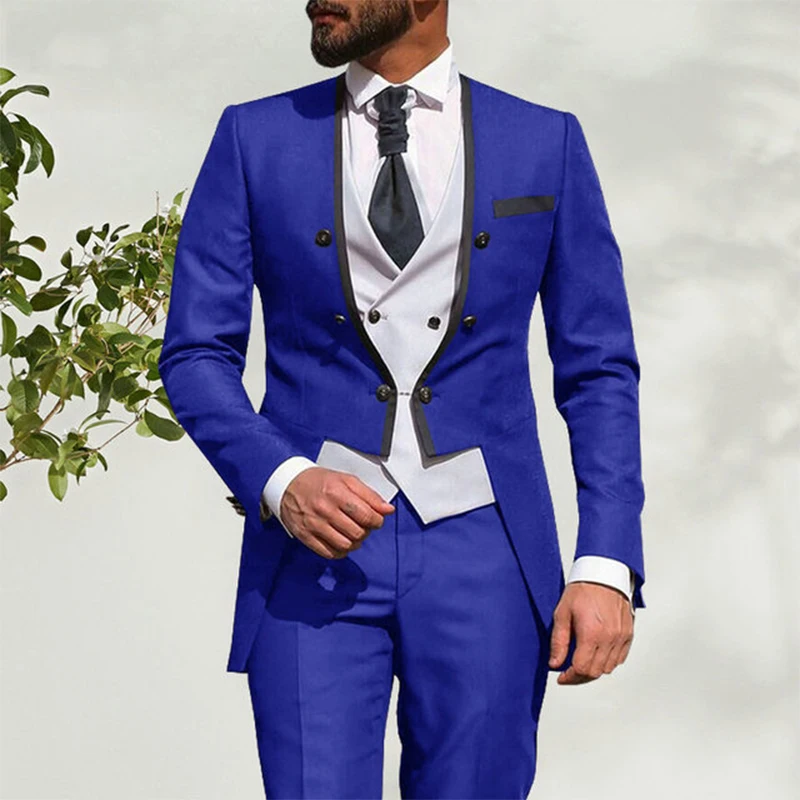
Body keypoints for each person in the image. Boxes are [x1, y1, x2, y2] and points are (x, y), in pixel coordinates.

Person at [158, 1, 646, 796]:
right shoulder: (254, 137)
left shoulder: (544, 141)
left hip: (487, 546)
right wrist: (281, 479)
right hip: (311, 551)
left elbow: (598, 370)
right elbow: (195, 353)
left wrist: (607, 563)